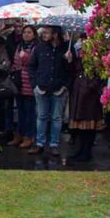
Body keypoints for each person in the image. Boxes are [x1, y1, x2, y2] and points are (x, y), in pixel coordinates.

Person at [28, 25, 71, 157]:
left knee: (56, 118)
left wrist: (68, 61)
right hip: (41, 87)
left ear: (55, 34)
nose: (44, 35)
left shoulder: (65, 48)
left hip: (59, 88)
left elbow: (71, 71)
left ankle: (54, 144)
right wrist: (35, 83)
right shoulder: (39, 48)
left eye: (47, 33)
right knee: (41, 116)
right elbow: (32, 66)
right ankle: (39, 144)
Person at [68, 36, 103, 163]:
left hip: (90, 94)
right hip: (79, 90)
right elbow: (73, 71)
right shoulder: (79, 57)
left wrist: (89, 87)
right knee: (80, 125)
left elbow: (99, 76)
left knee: (89, 124)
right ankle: (80, 150)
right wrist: (71, 60)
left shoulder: (96, 58)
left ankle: (87, 151)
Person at [8, 25, 38, 148]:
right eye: (25, 32)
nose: (26, 34)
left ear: (34, 34)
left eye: (29, 32)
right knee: (20, 112)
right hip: (19, 83)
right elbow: (16, 62)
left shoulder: (36, 47)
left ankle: (29, 136)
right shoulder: (20, 45)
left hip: (29, 84)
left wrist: (25, 57)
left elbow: (33, 63)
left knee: (30, 113)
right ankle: (19, 134)